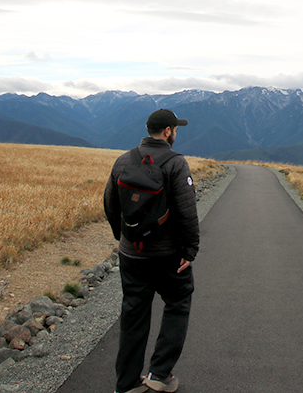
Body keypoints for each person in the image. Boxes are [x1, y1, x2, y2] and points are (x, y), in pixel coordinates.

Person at [103, 109, 199, 393]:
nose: (176, 133)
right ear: (168, 132)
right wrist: (189, 250)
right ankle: (159, 374)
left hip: (131, 254)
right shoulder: (176, 163)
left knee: (133, 313)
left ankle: (127, 383)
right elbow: (187, 212)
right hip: (168, 256)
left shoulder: (123, 160)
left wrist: (123, 238)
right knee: (178, 303)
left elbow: (110, 204)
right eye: (176, 129)